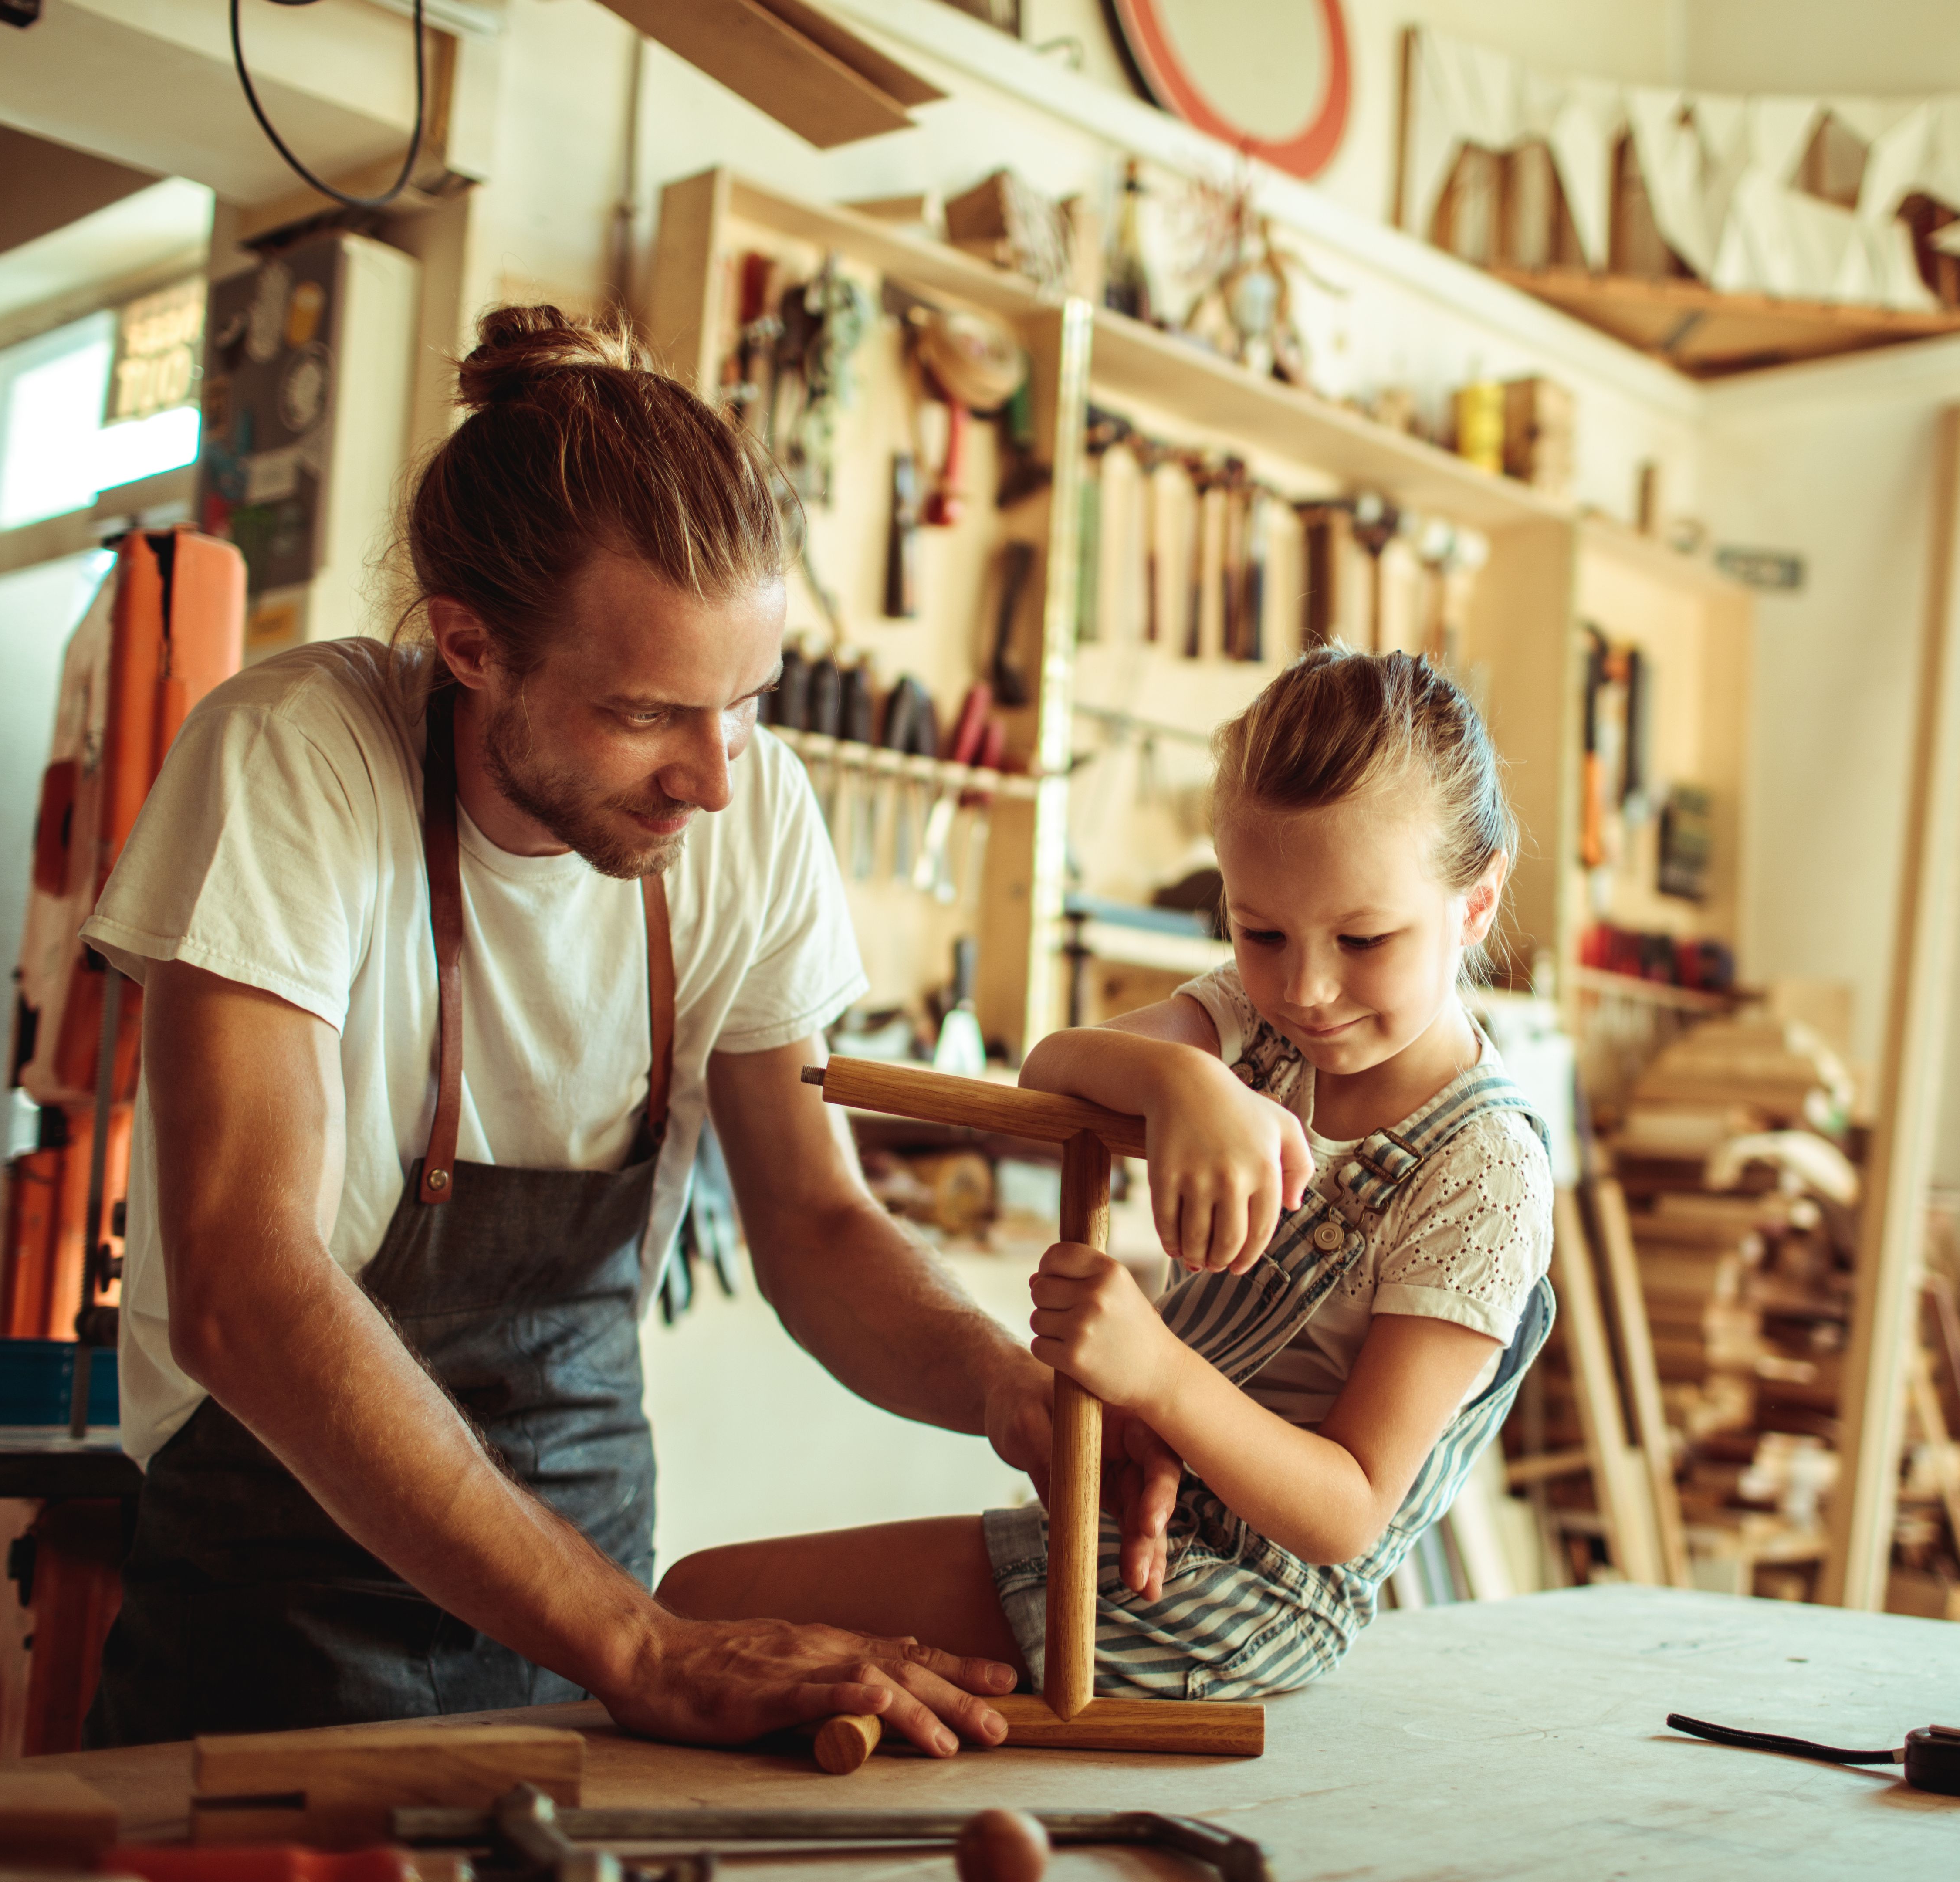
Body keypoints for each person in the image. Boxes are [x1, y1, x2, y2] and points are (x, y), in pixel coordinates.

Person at [77, 306, 1174, 1754]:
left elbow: (814, 1225)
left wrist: (1005, 1390)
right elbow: (245, 1287)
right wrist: (645, 1648)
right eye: (650, 713)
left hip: (587, 1584)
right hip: (276, 1589)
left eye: (747, 706)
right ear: (470, 648)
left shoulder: (752, 809)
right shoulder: (291, 760)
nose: (714, 781)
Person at [659, 647, 1556, 1700]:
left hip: (1245, 1601)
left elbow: (1346, 1515)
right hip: (1124, 1521)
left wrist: (1159, 1377)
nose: (1308, 989)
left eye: (1364, 938)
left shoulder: (1485, 1172)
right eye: (1259, 930)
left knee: (698, 1611)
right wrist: (1181, 1078)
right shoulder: (1251, 1028)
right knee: (697, 1609)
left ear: (1478, 904)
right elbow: (1055, 1067)